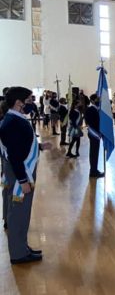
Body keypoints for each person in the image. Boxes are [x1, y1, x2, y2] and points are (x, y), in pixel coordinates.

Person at [0, 87, 53, 264]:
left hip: (21, 171)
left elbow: (20, 146)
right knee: (18, 214)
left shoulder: (15, 118)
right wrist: (23, 180)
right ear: (18, 103)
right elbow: (14, 155)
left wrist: (39, 147)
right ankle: (18, 253)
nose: (32, 104)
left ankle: (22, 246)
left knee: (22, 213)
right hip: (19, 175)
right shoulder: (12, 123)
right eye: (29, 100)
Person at [85, 94, 104, 178]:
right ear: (92, 100)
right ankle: (93, 172)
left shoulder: (95, 109)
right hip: (94, 133)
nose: (98, 101)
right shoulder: (90, 109)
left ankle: (94, 170)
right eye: (97, 99)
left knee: (94, 153)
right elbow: (91, 123)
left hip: (95, 133)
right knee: (94, 153)